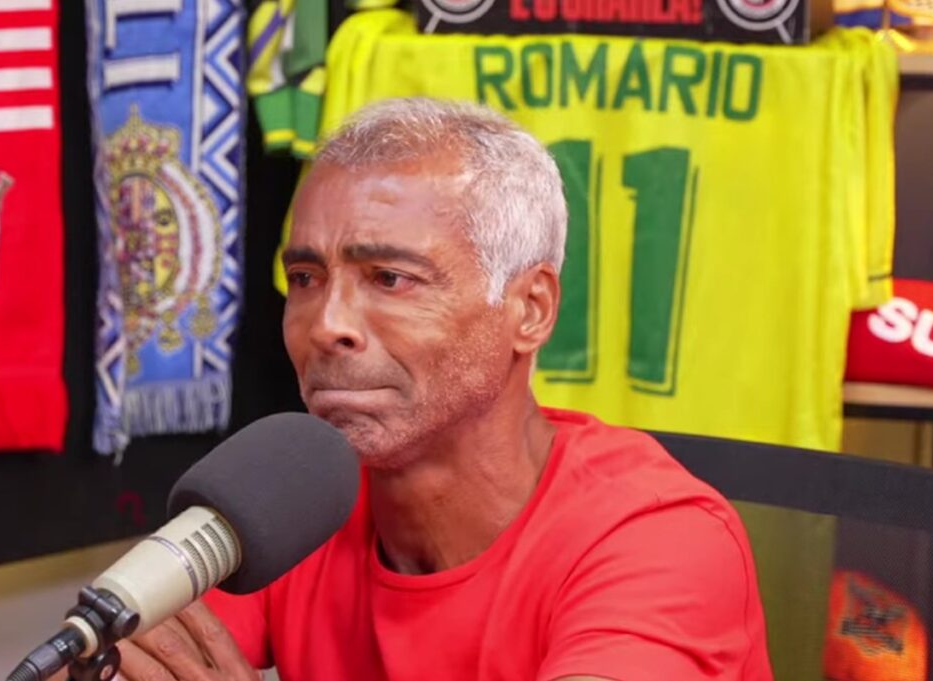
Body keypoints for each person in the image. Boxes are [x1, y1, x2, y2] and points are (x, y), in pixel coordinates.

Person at [98, 98, 774, 680]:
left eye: (389, 278)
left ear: (531, 309)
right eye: (305, 278)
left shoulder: (659, 537)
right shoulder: (288, 500)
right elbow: (109, 656)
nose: (326, 325)